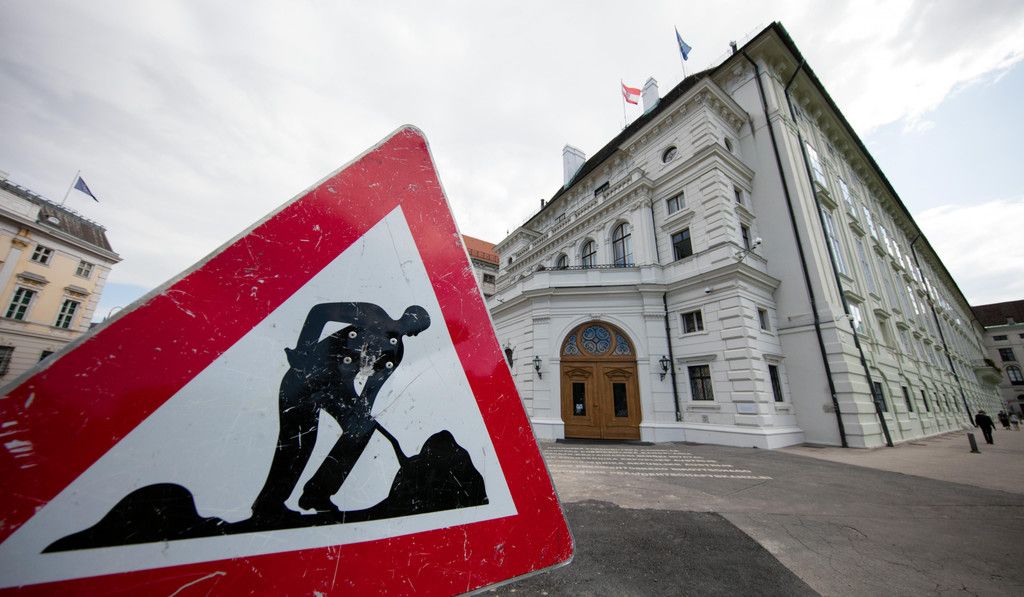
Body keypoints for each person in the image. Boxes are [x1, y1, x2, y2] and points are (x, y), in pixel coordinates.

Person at [251, 302, 430, 519]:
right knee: (300, 442)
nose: (415, 333)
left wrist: (362, 414)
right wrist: (304, 351)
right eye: (419, 327)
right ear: (410, 318)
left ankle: (317, 492)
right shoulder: (373, 314)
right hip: (306, 378)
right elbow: (319, 312)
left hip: (337, 389)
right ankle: (269, 504)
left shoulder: (395, 353)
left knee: (362, 428)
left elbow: (370, 391)